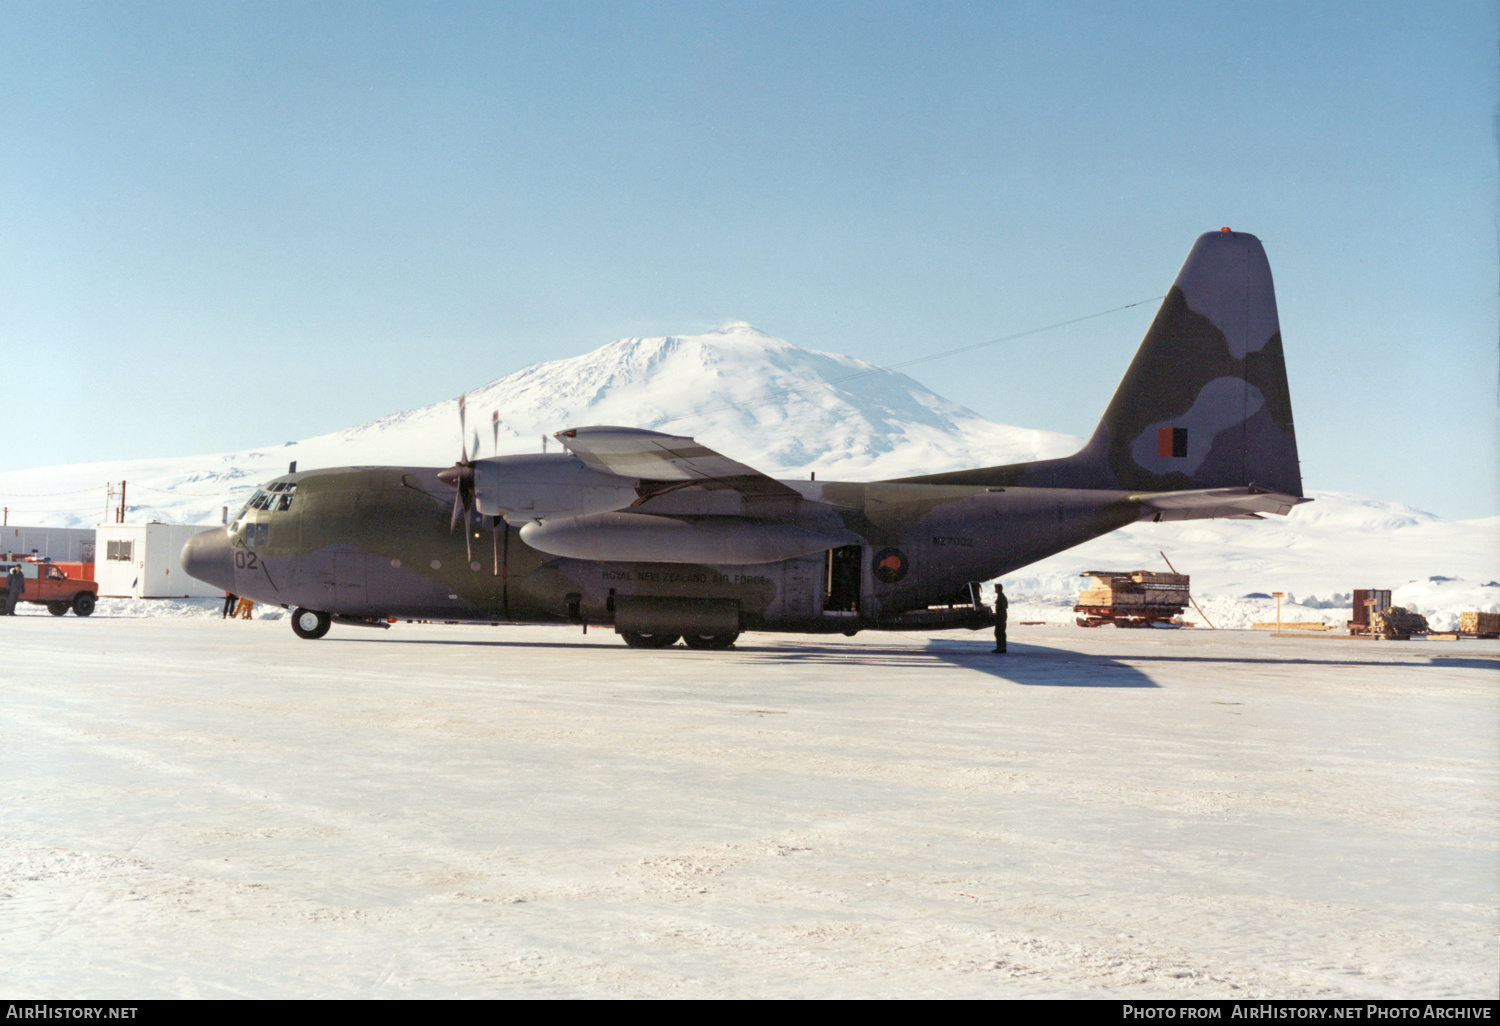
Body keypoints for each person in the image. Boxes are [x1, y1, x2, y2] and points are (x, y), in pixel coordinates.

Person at [992, 582, 1008, 654]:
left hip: (1001, 617)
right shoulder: (1001, 596)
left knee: (999, 632)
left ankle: (1001, 648)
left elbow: (1002, 608)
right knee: (1000, 632)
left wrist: (998, 616)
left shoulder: (1001, 597)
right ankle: (1001, 647)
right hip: (1001, 616)